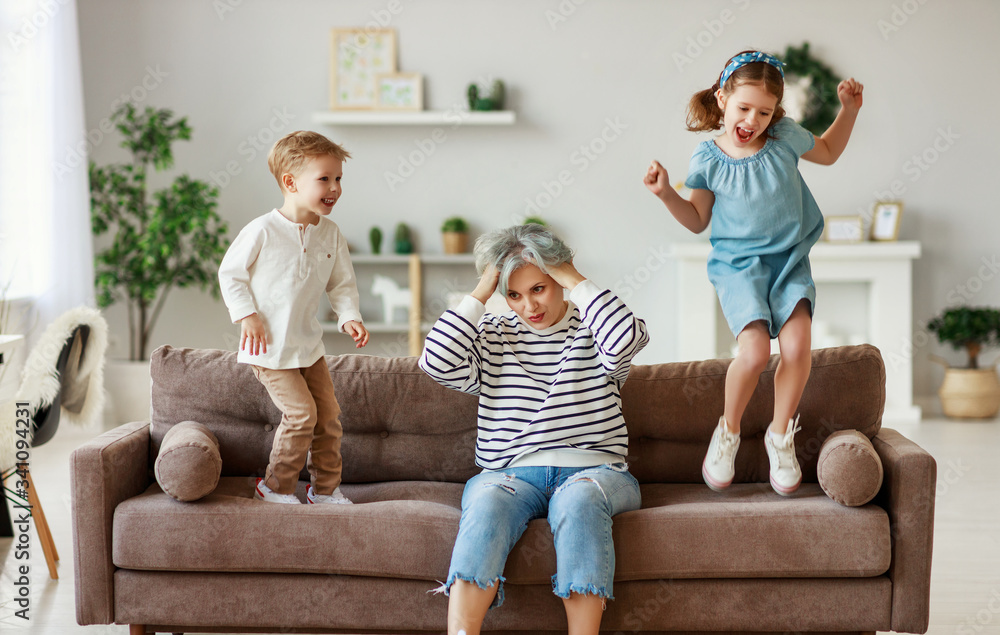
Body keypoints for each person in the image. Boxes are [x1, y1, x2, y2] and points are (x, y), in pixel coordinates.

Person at [643, 50, 863, 495]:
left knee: (799, 346)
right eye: (744, 108)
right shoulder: (707, 157)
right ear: (722, 98)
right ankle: (727, 431)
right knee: (756, 352)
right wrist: (667, 193)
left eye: (764, 112)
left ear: (776, 113)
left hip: (788, 260)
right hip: (739, 267)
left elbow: (829, 151)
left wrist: (849, 111)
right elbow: (697, 220)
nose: (753, 119)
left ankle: (780, 437)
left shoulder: (783, 136)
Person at [419, 224, 649, 635]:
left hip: (596, 472)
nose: (529, 306)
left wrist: (574, 277)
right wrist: (482, 289)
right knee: (487, 501)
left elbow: (624, 338)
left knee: (578, 500)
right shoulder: (490, 335)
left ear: (559, 279)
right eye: (514, 294)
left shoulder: (595, 329)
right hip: (509, 475)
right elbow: (435, 362)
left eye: (539, 288)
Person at [219, 130, 369, 505]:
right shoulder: (262, 230)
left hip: (309, 346)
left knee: (328, 417)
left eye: (338, 179)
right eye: (324, 179)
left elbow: (342, 284)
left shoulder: (331, 235)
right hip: (268, 349)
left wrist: (349, 315)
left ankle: (325, 490)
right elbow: (230, 274)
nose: (334, 187)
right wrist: (247, 315)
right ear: (290, 182)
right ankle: (275, 487)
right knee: (302, 414)